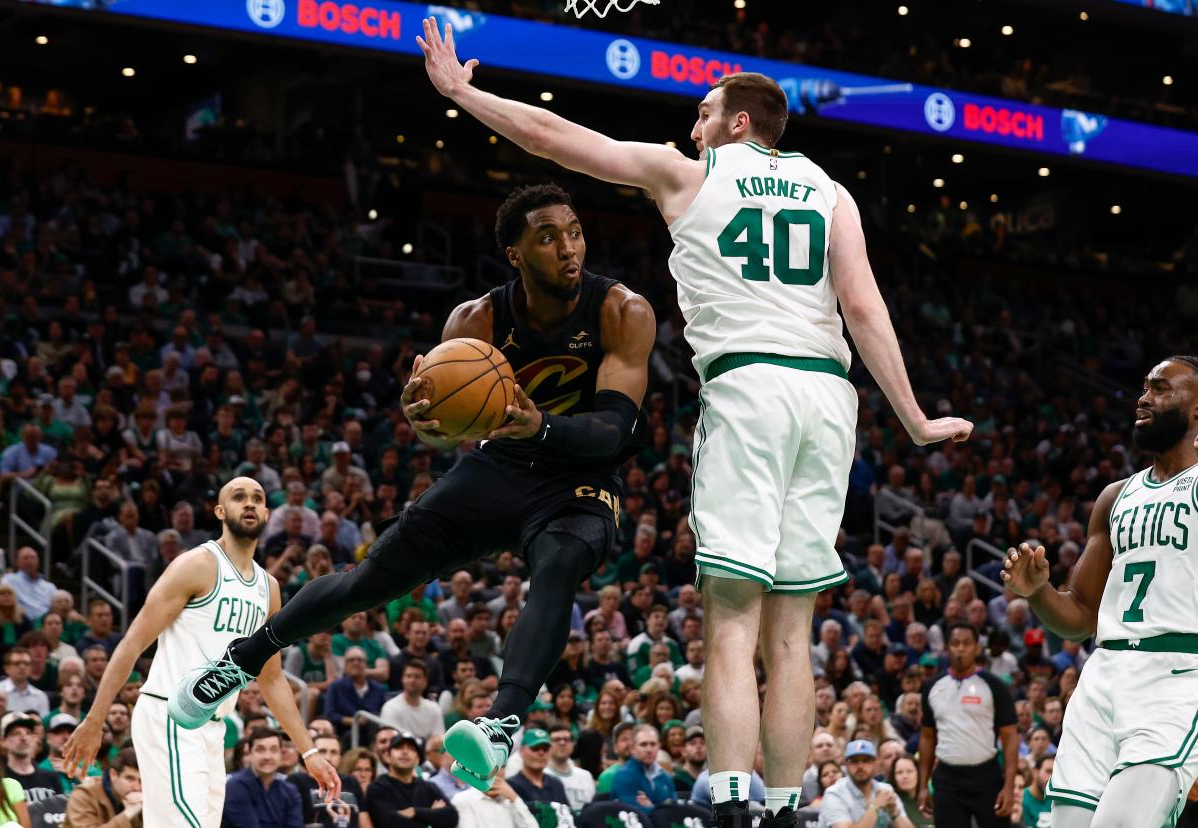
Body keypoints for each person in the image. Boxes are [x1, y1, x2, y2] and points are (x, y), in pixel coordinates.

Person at [415, 20, 972, 828]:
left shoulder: (690, 175)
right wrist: (915, 417)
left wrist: (464, 94)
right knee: (792, 633)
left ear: (738, 123)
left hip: (748, 388)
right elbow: (861, 307)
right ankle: (787, 809)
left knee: (730, 619)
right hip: (828, 397)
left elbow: (558, 139)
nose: (693, 125)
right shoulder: (832, 192)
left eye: (705, 113)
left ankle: (735, 806)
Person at [171, 184, 655, 798]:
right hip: (500, 465)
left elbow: (612, 432)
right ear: (514, 253)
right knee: (369, 580)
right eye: (548, 236)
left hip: (581, 476)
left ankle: (502, 721)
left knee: (558, 563)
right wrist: (425, 420)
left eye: (575, 231)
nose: (569, 247)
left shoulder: (621, 310)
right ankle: (237, 663)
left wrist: (543, 425)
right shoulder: (475, 320)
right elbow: (445, 426)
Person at [60, 477, 340, 827]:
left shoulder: (268, 588)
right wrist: (94, 720)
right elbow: (132, 643)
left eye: (257, 498)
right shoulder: (196, 565)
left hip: (213, 727)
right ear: (220, 511)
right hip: (170, 713)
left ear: (268, 513)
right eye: (239, 497)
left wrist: (309, 751)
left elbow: (271, 678)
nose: (249, 504)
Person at [1000, 359, 1198, 828]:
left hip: (1177, 676)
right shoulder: (1115, 497)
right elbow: (1080, 614)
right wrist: (1038, 591)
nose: (1144, 398)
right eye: (1144, 388)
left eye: (1161, 389)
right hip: (1103, 675)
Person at [916, 623, 1017, 827]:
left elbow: (1010, 737)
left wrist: (1009, 786)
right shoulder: (932, 687)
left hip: (986, 776)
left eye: (966, 643)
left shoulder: (994, 686)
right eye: (955, 643)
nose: (960, 648)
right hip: (947, 779)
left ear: (977, 648)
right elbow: (927, 737)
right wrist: (923, 786)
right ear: (946, 648)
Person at [365, 732, 458, 828]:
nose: (405, 752)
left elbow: (452, 817)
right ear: (388, 756)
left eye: (411, 749)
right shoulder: (377, 787)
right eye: (399, 747)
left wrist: (415, 812)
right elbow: (390, 823)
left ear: (417, 759)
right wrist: (431, 815)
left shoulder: (428, 787)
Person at [816, 739, 910, 828]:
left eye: (866, 760)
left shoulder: (885, 790)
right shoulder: (834, 794)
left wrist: (895, 813)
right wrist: (875, 806)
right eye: (854, 761)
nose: (860, 766)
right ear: (846, 765)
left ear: (875, 763)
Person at [222, 728, 304, 828]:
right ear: (250, 753)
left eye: (274, 750)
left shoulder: (290, 791)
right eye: (260, 750)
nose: (267, 756)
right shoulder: (235, 786)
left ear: (280, 755)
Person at [507, 728, 573, 824]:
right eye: (535, 748)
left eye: (545, 749)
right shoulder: (510, 786)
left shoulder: (556, 783)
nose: (541, 753)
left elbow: (566, 815)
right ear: (522, 751)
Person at [65, 747, 143, 827]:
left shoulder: (142, 799)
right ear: (113, 774)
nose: (136, 788)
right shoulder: (83, 795)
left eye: (141, 781)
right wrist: (128, 813)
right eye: (130, 779)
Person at [612, 723, 676, 814]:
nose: (649, 750)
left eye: (653, 744)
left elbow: (675, 812)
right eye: (643, 744)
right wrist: (659, 809)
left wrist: (651, 807)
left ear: (659, 747)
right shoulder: (623, 776)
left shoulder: (665, 777)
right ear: (633, 748)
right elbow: (636, 815)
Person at [0, 711, 64, 803]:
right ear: (3, 741)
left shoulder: (51, 778)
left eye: (28, 733)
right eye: (16, 733)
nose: (24, 738)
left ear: (35, 738)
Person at [381, 659, 445, 741]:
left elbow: (438, 740)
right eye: (408, 676)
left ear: (425, 682)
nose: (412, 680)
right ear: (402, 679)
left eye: (417, 677)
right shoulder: (390, 707)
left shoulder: (435, 709)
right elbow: (391, 740)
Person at [453, 767, 539, 828]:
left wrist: (514, 798)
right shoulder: (462, 799)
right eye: (492, 766)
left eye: (502, 766)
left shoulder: (510, 799)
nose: (498, 772)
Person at [543, 722, 594, 813]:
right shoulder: (542, 775)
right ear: (547, 744)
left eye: (566, 739)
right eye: (556, 739)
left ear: (573, 744)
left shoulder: (586, 775)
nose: (562, 743)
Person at [0, 646, 50, 715]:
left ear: (31, 668)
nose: (22, 667)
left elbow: (43, 723)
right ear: (6, 668)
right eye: (17, 663)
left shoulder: (40, 696)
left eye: (26, 663)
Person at [889, 754, 930, 827]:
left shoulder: (932, 799)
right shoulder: (892, 801)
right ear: (894, 777)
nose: (905, 776)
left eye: (909, 771)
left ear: (918, 773)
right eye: (899, 772)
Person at [1020, 756, 1052, 828]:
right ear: (1035, 772)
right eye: (1048, 771)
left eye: (1055, 773)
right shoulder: (1021, 799)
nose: (1052, 778)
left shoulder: (1056, 801)